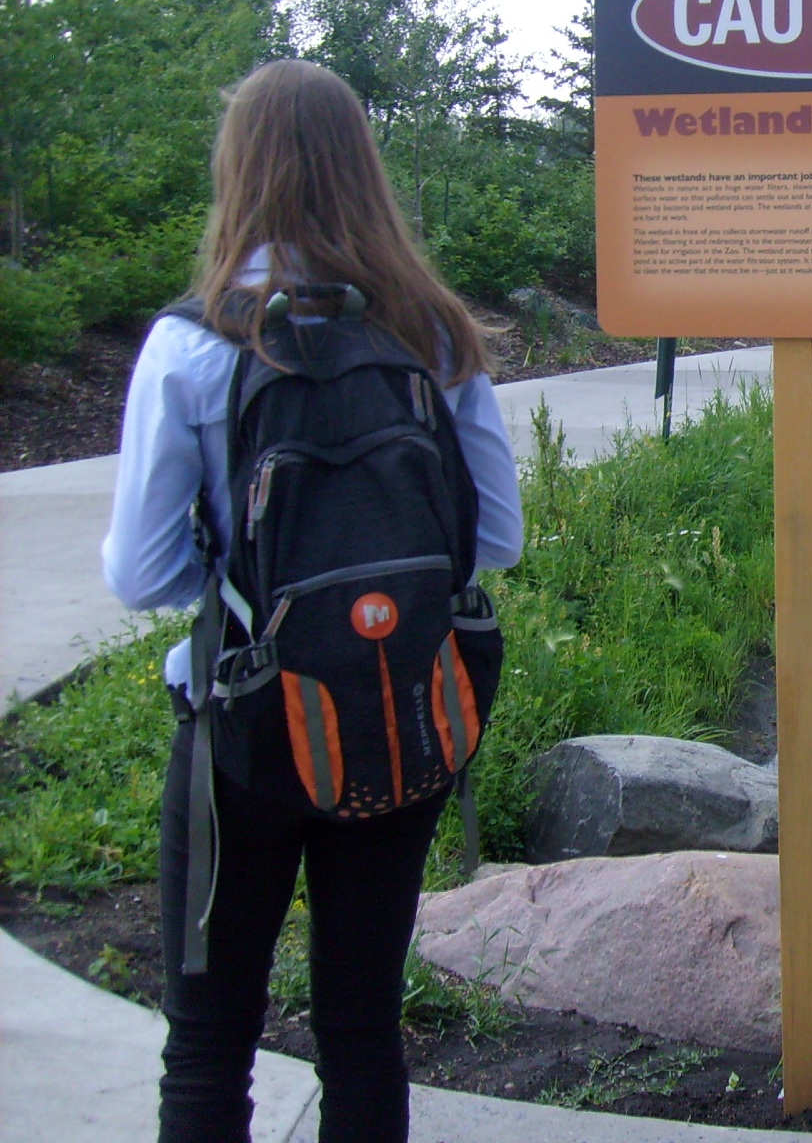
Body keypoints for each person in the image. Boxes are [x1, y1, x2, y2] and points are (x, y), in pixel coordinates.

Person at [101, 60, 524, 1142]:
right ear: (364, 169)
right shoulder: (434, 333)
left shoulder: (196, 342)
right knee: (362, 1026)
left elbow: (143, 575)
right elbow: (497, 542)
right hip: (396, 716)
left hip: (240, 733)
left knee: (209, 1036)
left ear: (236, 168)